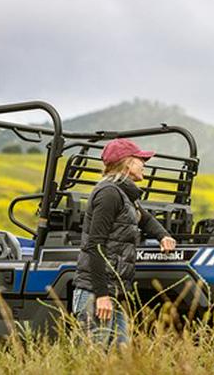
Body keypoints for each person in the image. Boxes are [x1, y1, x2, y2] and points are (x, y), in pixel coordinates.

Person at [73, 138, 177, 347]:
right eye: (141, 160)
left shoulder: (126, 196)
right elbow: (95, 246)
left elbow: (144, 218)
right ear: (128, 163)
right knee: (92, 360)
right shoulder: (109, 193)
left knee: (120, 357)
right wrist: (102, 295)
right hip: (96, 293)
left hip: (115, 292)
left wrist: (163, 235)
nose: (144, 164)